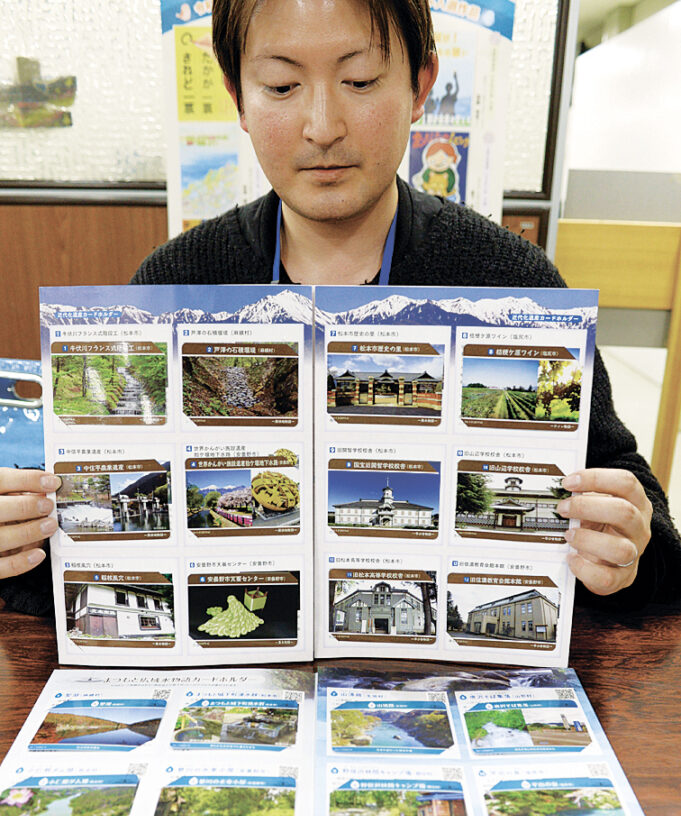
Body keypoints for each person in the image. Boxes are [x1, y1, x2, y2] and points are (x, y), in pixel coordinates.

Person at [1, 0, 679, 615]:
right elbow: (107, 515)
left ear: (420, 85)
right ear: (238, 97)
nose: (322, 127)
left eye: (359, 80)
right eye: (281, 86)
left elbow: (634, 501)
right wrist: (24, 545)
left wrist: (631, 547)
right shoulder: (172, 287)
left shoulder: (510, 288)